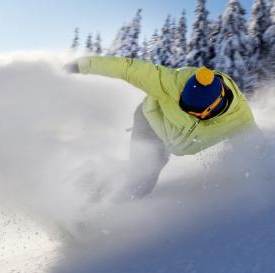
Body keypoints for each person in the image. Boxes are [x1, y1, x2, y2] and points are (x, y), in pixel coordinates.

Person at [65, 56, 258, 199]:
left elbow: (258, 149)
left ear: (210, 109)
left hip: (169, 141)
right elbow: (127, 68)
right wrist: (81, 65)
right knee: (141, 182)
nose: (184, 109)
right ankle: (89, 209)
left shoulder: (239, 119)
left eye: (191, 111)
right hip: (149, 122)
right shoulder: (171, 81)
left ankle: (94, 173)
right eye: (182, 102)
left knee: (139, 177)